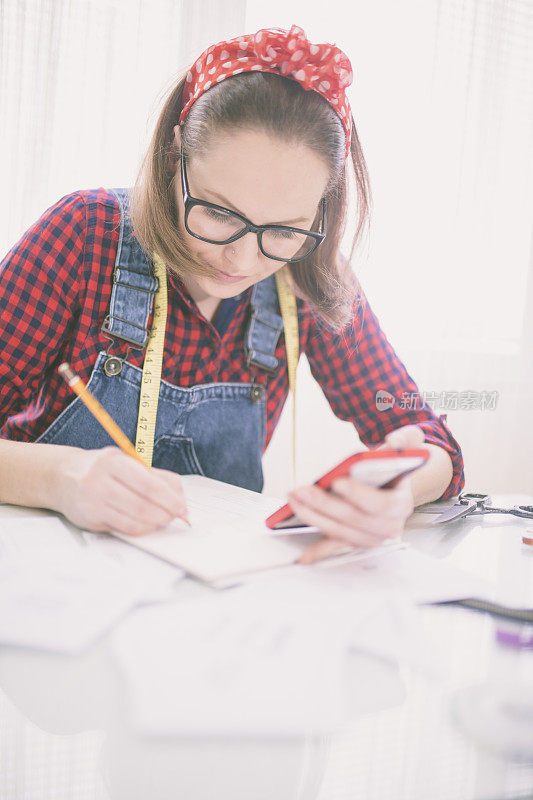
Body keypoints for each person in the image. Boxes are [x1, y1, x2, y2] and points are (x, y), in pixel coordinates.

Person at [0, 25, 464, 563]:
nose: (242, 262)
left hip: (211, 600)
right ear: (175, 152)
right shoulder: (85, 235)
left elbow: (429, 436)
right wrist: (61, 476)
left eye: (284, 229)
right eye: (219, 213)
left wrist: (400, 492)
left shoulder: (309, 276)